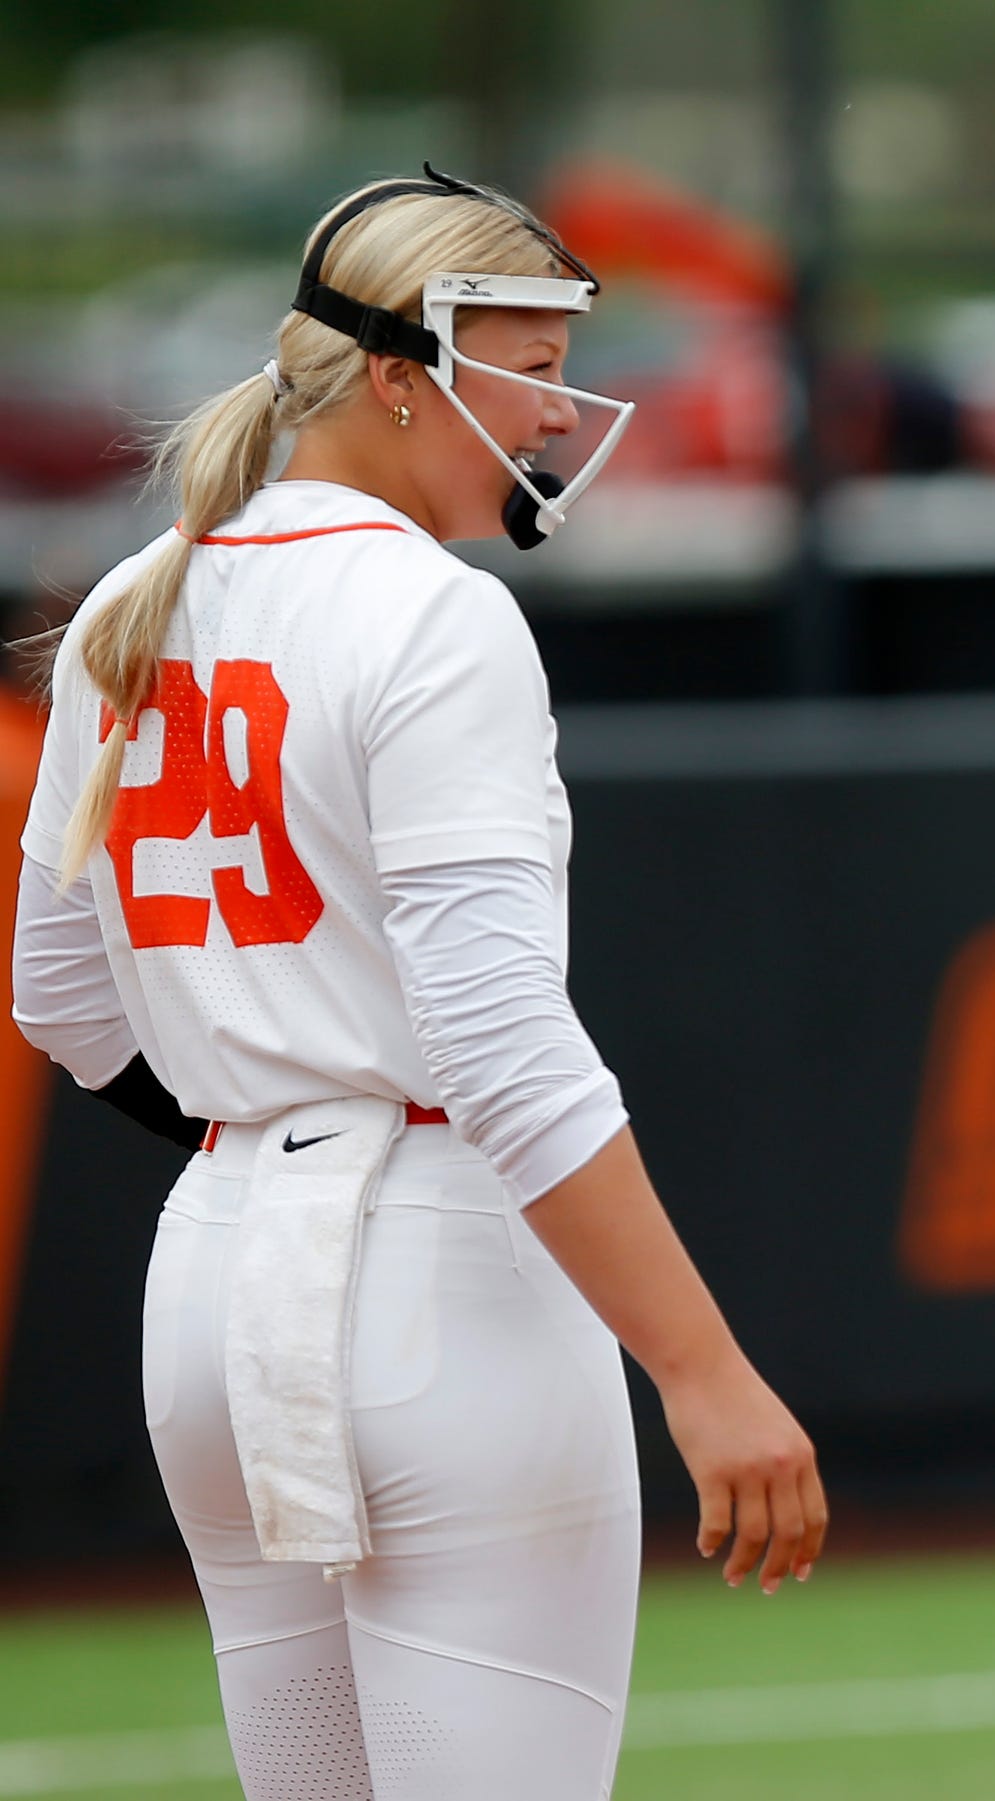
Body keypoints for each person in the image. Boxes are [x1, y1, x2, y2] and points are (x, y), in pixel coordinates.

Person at [10, 168, 824, 1799]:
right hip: (439, 1275)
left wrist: (280, 1128)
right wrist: (705, 1369)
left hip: (220, 1272)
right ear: (397, 371)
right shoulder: (433, 612)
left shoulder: (129, 601)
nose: (554, 408)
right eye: (519, 358)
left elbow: (59, 997)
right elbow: (505, 1049)